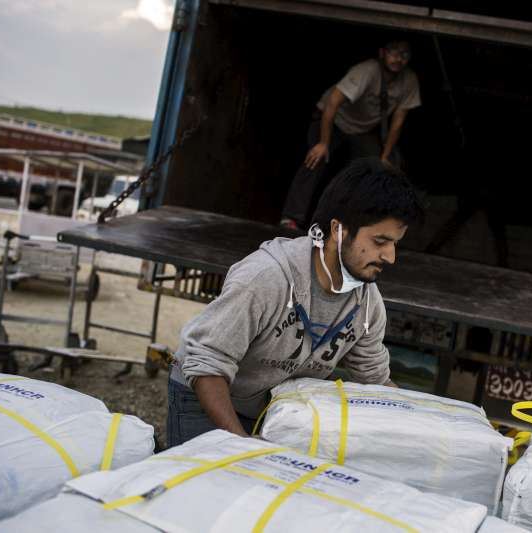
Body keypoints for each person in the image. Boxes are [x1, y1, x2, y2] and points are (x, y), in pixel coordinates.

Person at [167, 158, 423, 446]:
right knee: (211, 486)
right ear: (338, 230)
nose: (390, 256)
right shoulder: (265, 278)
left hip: (274, 410)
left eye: (395, 244)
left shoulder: (367, 303)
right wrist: (241, 444)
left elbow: (375, 380)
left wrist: (421, 426)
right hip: (206, 395)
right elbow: (207, 364)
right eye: (380, 241)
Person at [279, 39, 421, 231]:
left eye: (404, 55)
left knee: (375, 169)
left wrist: (385, 156)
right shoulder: (366, 71)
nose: (398, 58)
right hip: (332, 120)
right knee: (316, 159)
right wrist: (323, 142)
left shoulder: (409, 80)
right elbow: (332, 103)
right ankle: (291, 218)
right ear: (382, 53)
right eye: (394, 52)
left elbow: (398, 122)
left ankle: (349, 225)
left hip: (360, 130)